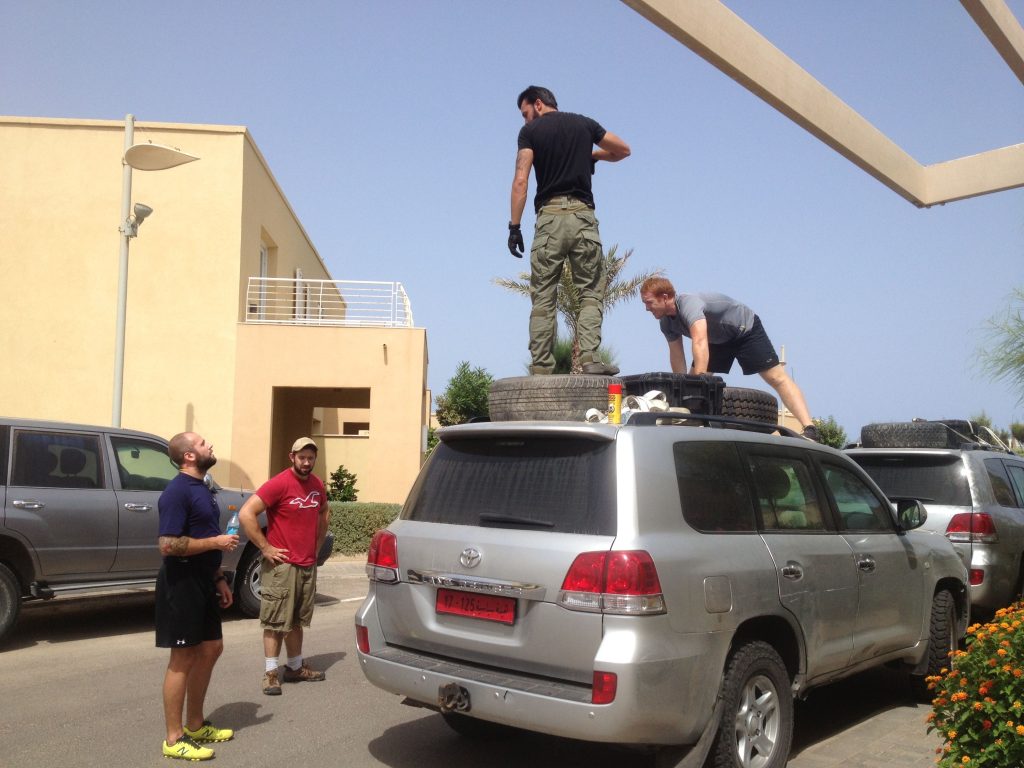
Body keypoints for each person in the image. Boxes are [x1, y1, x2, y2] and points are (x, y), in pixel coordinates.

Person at [508, 85, 631, 376]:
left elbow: (520, 181)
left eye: (526, 113)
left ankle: (541, 366)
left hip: (549, 220)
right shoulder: (584, 124)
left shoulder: (530, 133)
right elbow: (623, 150)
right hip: (583, 219)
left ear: (538, 104)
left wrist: (514, 226)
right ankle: (589, 358)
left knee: (543, 296)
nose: (526, 121)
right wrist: (593, 156)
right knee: (590, 291)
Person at [639, 276, 820, 441]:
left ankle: (810, 429)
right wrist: (681, 391)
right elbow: (677, 357)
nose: (646, 308)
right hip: (717, 340)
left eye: (649, 302)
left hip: (744, 330)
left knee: (775, 377)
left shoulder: (689, 304)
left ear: (664, 297)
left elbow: (700, 341)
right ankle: (689, 423)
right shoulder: (666, 323)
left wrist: (699, 381)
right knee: (690, 386)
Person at [156, 432, 239, 761]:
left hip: (204, 579)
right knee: (183, 658)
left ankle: (194, 724)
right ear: (189, 456)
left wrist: (219, 578)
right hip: (182, 581)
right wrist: (216, 544)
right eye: (204, 443)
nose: (211, 445)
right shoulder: (176, 492)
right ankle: (174, 739)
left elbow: (202, 534)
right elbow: (168, 544)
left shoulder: (202, 489)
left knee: (211, 648)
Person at [238, 437, 330, 695]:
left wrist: (317, 544)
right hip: (282, 566)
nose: (306, 462)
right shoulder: (279, 484)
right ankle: (270, 673)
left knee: (297, 620)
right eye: (302, 457)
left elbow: (324, 512)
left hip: (306, 564)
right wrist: (265, 547)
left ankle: (295, 667)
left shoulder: (316, 485)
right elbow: (246, 513)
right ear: (292, 457)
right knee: (275, 620)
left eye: (311, 458)